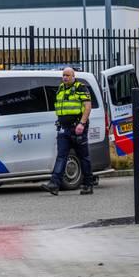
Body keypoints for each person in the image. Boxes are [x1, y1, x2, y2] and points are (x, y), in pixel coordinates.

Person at [42, 67, 94, 195]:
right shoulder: (60, 88)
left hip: (77, 128)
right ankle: (54, 184)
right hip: (64, 128)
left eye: (68, 75)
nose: (65, 77)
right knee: (61, 156)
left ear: (73, 76)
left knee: (83, 157)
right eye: (63, 75)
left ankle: (88, 184)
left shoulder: (80, 87)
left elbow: (88, 107)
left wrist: (81, 123)